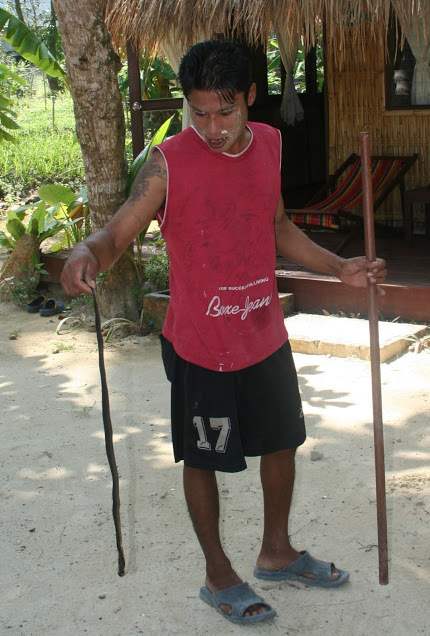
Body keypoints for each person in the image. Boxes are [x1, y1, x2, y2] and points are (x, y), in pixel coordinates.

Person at [61, 40, 387, 624]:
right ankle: (218, 574)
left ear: (251, 100)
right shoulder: (168, 161)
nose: (211, 127)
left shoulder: (269, 144)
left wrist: (339, 267)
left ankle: (277, 550)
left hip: (263, 329)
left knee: (281, 441)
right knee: (203, 456)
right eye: (199, 112)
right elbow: (117, 233)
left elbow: (278, 225)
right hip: (200, 343)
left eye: (226, 112)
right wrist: (87, 251)